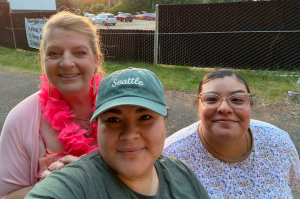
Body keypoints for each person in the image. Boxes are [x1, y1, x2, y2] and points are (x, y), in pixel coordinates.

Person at [25, 68, 210, 199]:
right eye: (113, 120)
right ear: (98, 126)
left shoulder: (183, 174)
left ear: (164, 120)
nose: (130, 135)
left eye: (145, 117)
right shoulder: (77, 184)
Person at [0, 11, 104, 198]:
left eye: (79, 52)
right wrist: (54, 187)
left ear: (96, 60)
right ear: (44, 60)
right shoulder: (20, 120)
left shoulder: (121, 106)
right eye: (54, 53)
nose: (66, 62)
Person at [163, 69, 300, 198]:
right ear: (198, 105)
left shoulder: (279, 143)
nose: (224, 108)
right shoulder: (170, 157)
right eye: (211, 99)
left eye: (237, 99)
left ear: (249, 106)